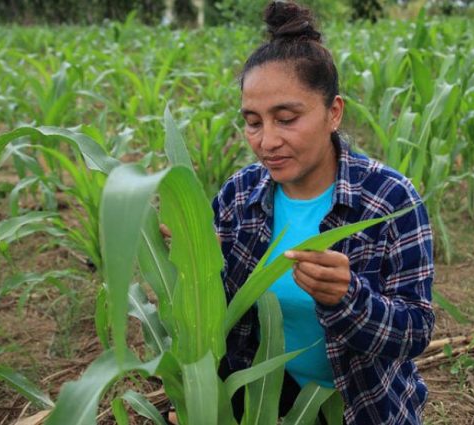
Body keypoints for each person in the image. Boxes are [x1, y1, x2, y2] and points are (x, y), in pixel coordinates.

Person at [169, 1, 435, 423]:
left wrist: (349, 298)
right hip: (260, 406)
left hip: (361, 407)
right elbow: (220, 321)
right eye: (253, 122)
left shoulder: (389, 199)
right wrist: (191, 264)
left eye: (286, 119)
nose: (266, 141)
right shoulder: (239, 196)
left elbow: (416, 330)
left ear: (333, 112)